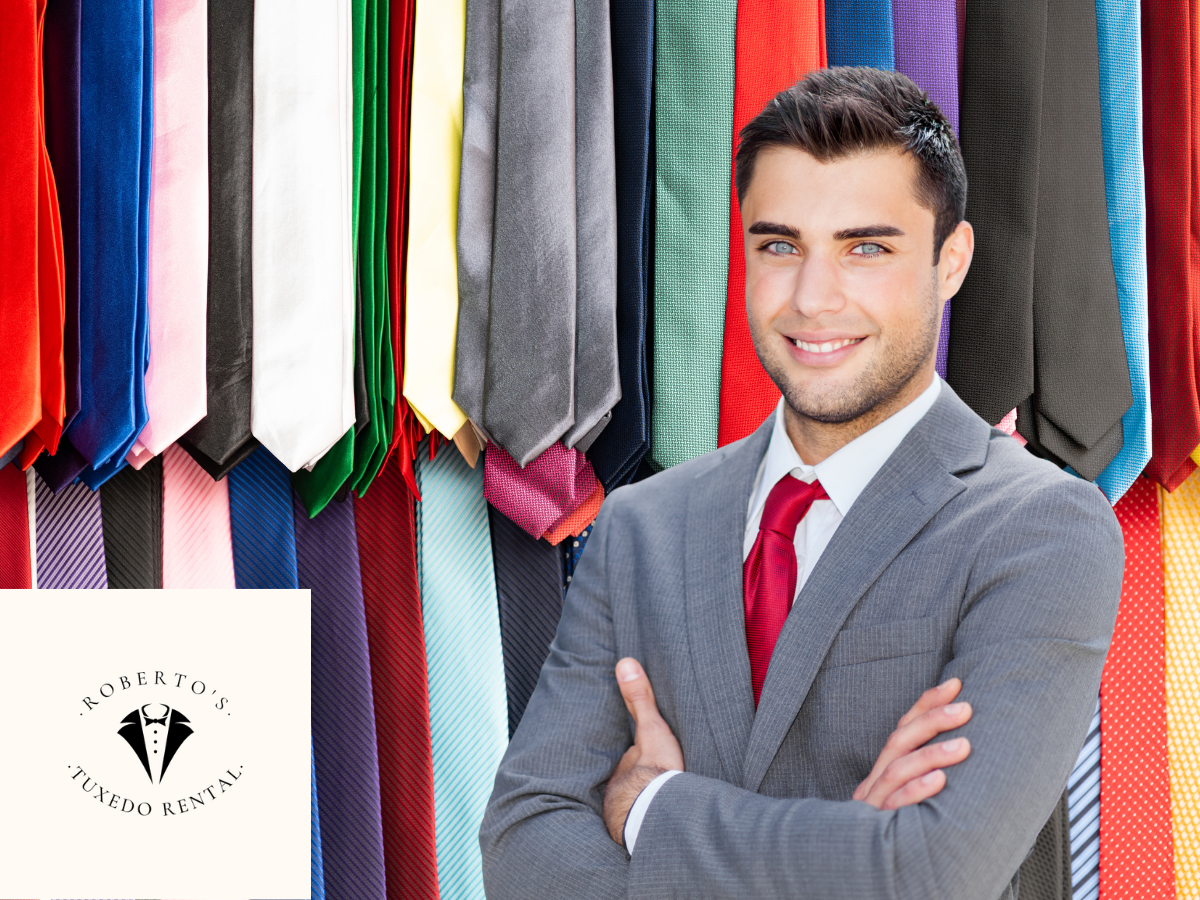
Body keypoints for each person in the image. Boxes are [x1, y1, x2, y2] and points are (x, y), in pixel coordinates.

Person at [480, 66, 1123, 900]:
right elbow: (522, 845)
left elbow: (931, 870)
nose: (813, 299)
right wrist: (852, 847)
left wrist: (653, 809)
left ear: (951, 259)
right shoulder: (643, 522)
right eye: (780, 246)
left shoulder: (1041, 528)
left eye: (866, 248)